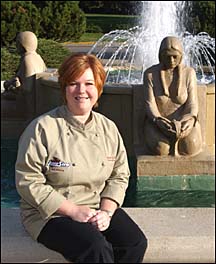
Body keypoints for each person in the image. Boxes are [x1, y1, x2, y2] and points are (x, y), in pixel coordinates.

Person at [15, 53, 147, 263]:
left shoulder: (108, 128)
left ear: (99, 88)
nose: (81, 91)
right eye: (73, 84)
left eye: (88, 83)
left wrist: (106, 212)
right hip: (50, 214)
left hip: (96, 206)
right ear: (64, 88)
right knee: (95, 248)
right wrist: (73, 211)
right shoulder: (42, 128)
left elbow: (119, 175)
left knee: (134, 242)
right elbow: (28, 181)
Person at [143, 36, 202, 156]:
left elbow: (192, 104)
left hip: (185, 123)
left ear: (181, 56)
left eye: (175, 56)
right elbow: (150, 104)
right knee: (161, 149)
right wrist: (158, 120)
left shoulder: (189, 73)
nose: (171, 60)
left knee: (190, 147)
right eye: (167, 56)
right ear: (161, 56)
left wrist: (190, 121)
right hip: (157, 123)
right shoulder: (150, 74)